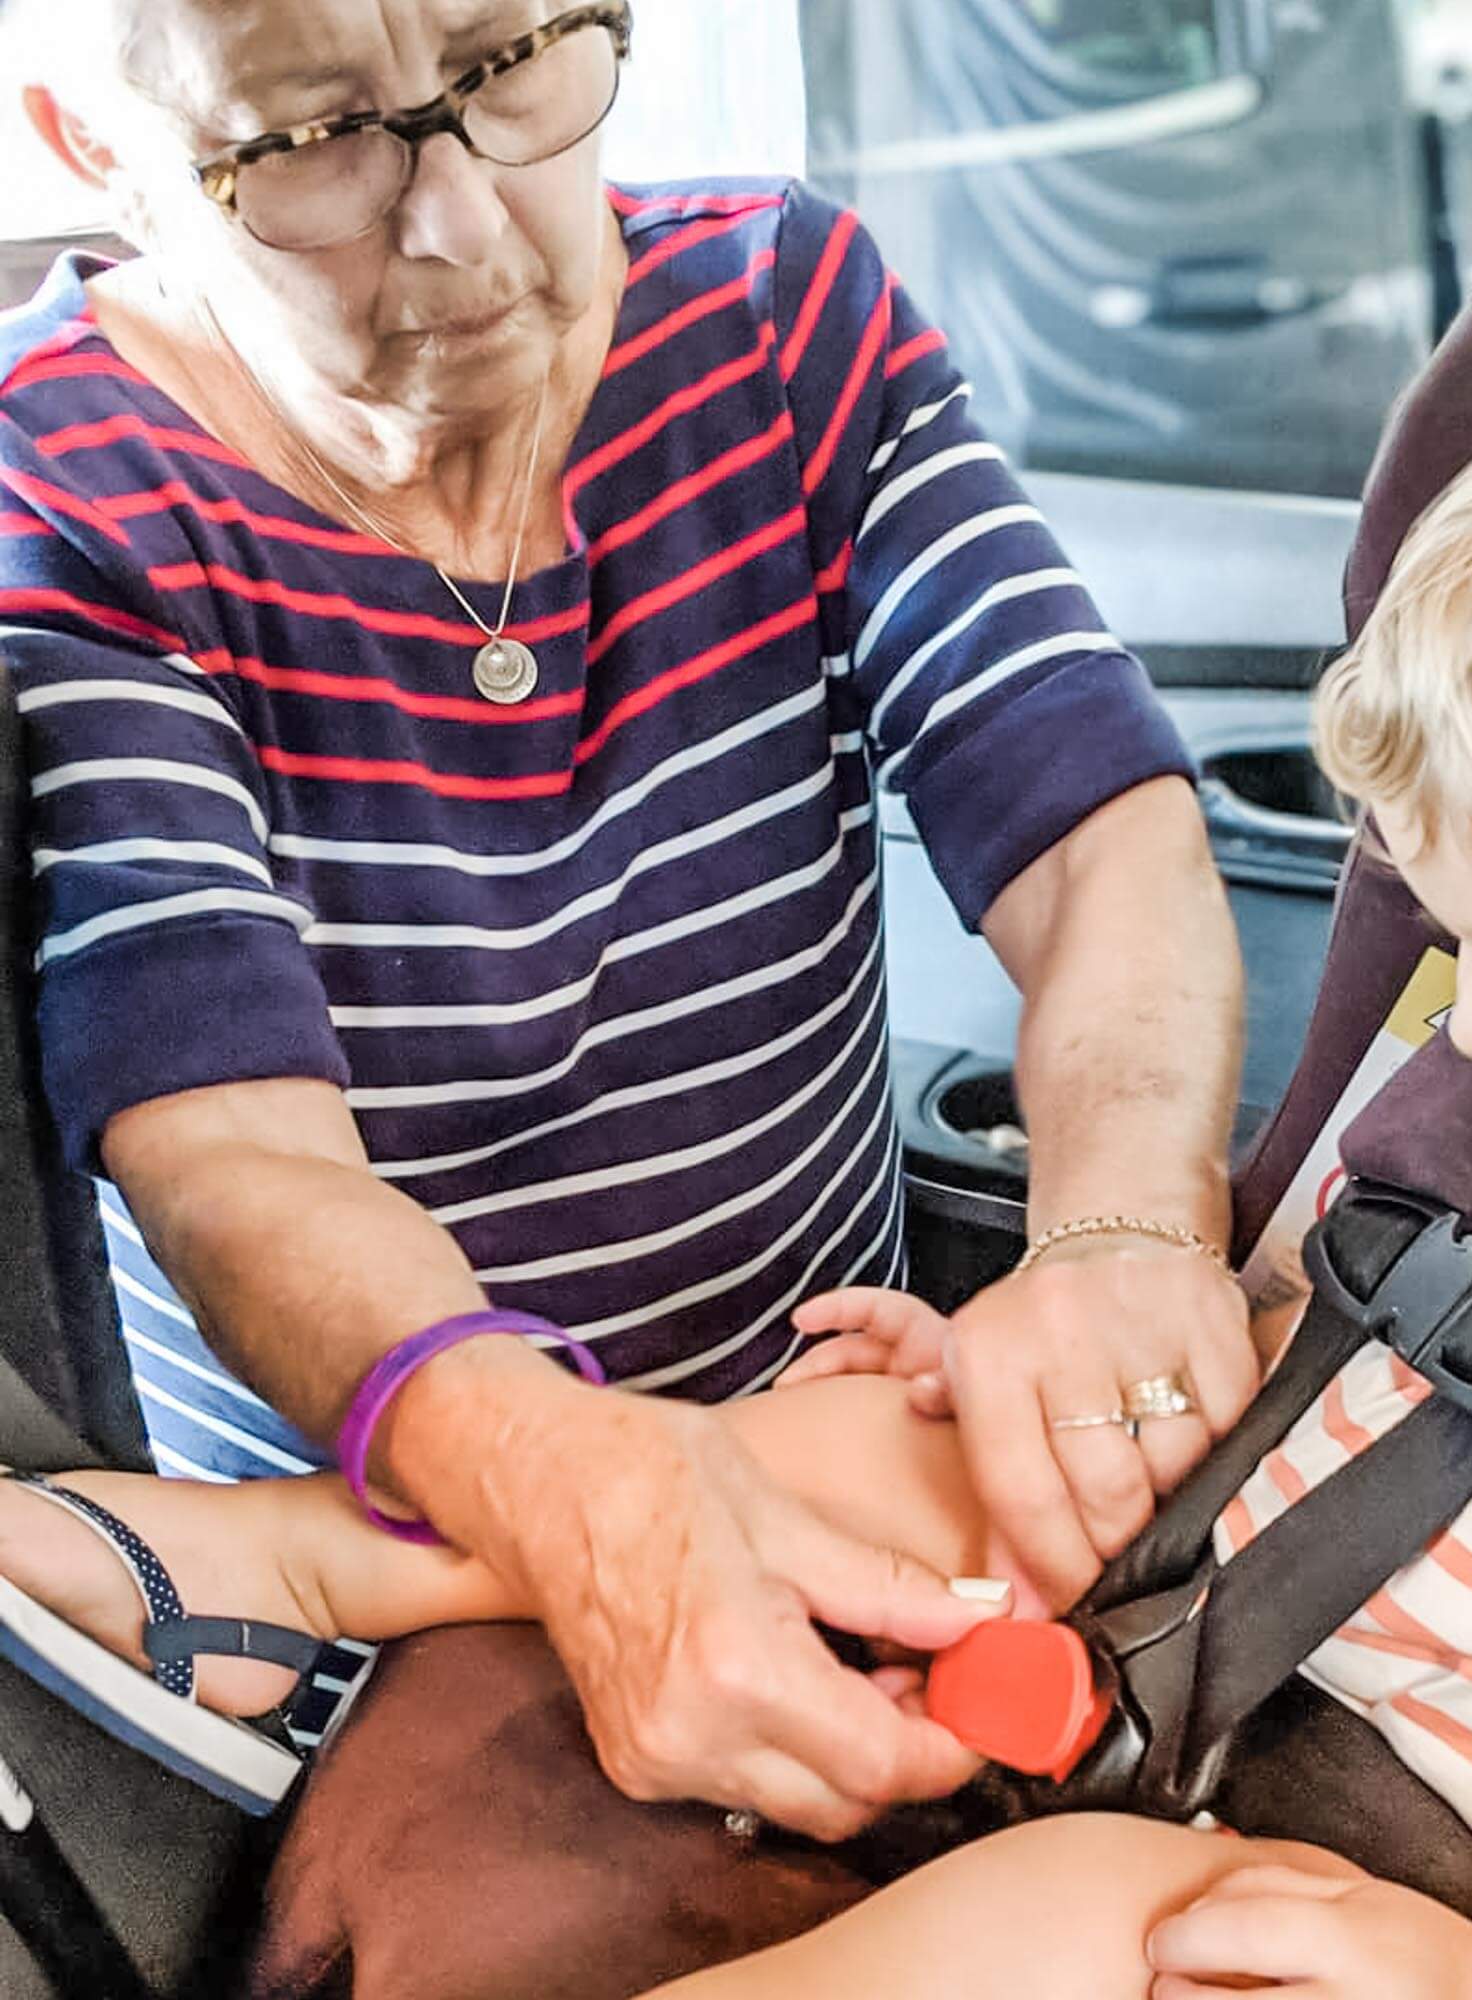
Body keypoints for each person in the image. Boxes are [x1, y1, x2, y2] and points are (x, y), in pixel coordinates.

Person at [8, 219, 1472, 1999]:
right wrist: (1026, 1354)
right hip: (1217, 1612)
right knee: (870, 1447)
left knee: (1092, 1923)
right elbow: (1289, 1344)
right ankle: (255, 1577)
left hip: (1432, 1869)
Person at [0, 0, 1258, 1832]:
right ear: (94, 146)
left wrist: (1122, 1226)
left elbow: (1095, 844)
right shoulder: (62, 506)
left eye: (511, 68)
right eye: (309, 146)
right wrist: (585, 1492)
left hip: (851, 1428)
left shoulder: (778, 314)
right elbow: (238, 1159)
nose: (469, 228)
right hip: (385, 1596)